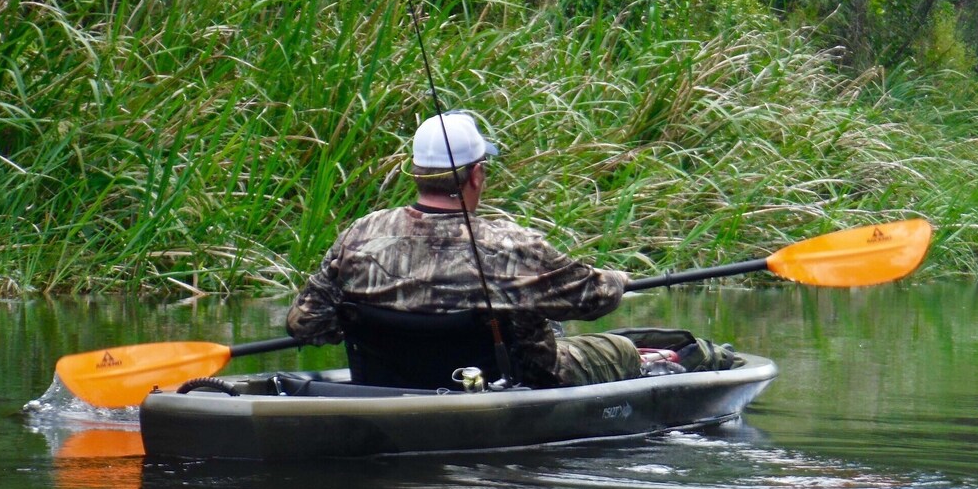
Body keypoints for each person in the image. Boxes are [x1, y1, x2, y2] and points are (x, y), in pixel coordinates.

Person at [286, 110, 736, 389]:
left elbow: (305, 324)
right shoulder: (509, 245)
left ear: (417, 174)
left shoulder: (359, 235)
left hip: (385, 382)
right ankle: (691, 362)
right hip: (519, 378)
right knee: (619, 348)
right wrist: (617, 280)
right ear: (477, 174)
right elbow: (593, 299)